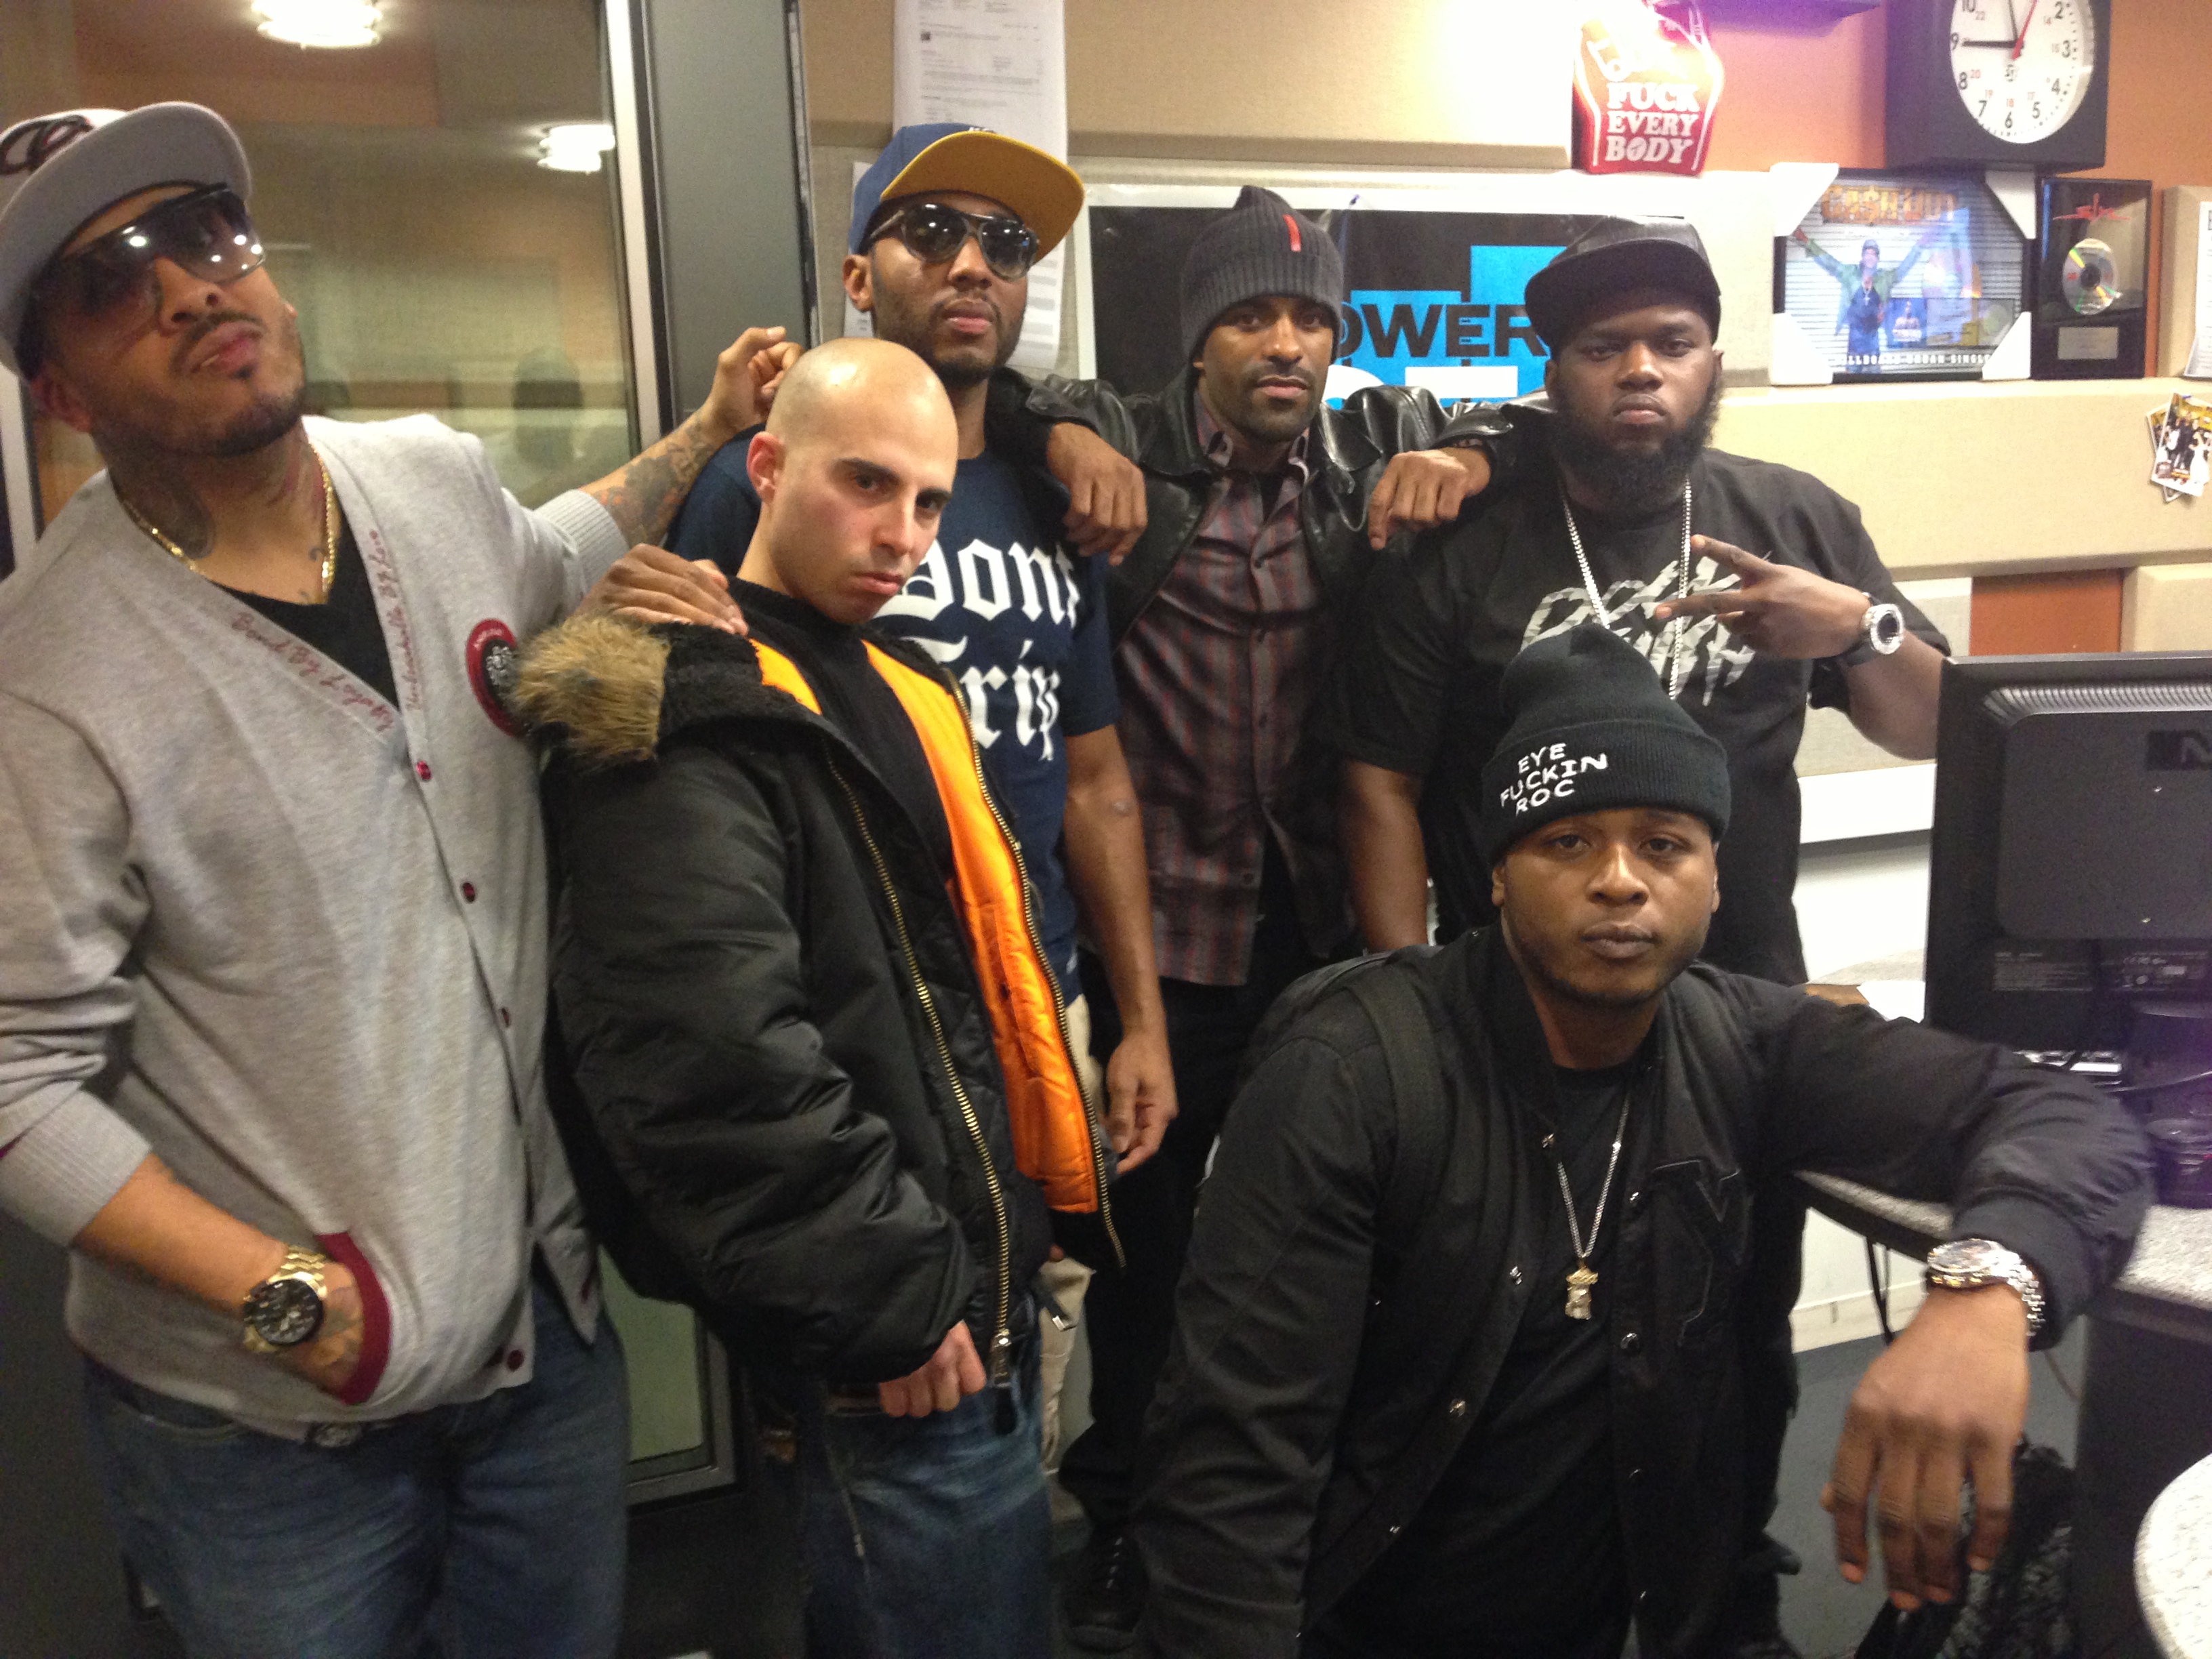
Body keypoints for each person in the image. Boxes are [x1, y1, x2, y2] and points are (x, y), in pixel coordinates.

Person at [0, 102, 756, 1658]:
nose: (189, 287)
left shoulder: (427, 480)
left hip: (539, 1348)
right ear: (57, 387)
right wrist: (296, 1300)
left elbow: (558, 547)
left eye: (204, 233)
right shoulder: (50, 677)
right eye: (111, 277)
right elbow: (16, 1076)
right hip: (267, 1440)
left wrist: (709, 430)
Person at [1136, 622, 2155, 1659]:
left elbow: (2071, 1119)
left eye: (1664, 844)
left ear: (1714, 879)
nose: (1621, 880)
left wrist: (1985, 1293)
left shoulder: (1748, 1040)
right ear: (1498, 874)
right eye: (1569, 842)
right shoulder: (1352, 1070)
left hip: (1677, 1621)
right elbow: (1231, 1476)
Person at [1332, 214, 1948, 1654]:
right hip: (1521, 1017)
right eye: (1603, 348)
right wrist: (1403, 992)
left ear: (1712, 362)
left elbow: (1934, 727)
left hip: (1743, 1012)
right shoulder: (1461, 536)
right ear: (1552, 373)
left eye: (1671, 344)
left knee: (1736, 1324)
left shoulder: (1794, 519)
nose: (1641, 373)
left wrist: (1854, 627)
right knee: (1517, 1332)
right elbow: (1377, 782)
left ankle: (1723, 1589)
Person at [525, 337, 1125, 1659]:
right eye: (865, 483)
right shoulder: (674, 695)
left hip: (966, 1283)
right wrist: (888, 1293)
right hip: (892, 1331)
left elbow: (949, 1007)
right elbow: (709, 1059)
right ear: (767, 465)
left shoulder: (906, 678)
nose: (901, 532)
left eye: (928, 499)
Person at [991, 183, 1515, 1647]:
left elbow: (1537, 429)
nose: (1284, 343)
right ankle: (1126, 1521)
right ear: (1198, 340)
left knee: (1326, 1250)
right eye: (1248, 317)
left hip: (1318, 931)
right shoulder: (1121, 443)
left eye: (1307, 318)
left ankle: (1320, 1514)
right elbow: (1000, 399)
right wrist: (1062, 437)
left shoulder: (1370, 455)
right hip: (1160, 942)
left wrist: (1469, 452)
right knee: (1147, 1271)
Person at [666, 126, 1176, 1431]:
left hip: (1035, 1000)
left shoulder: (1059, 499)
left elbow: (1094, 778)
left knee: (1028, 1352)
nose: (970, 266)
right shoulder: (759, 487)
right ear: (857, 274)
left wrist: (1136, 1018)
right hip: (860, 1026)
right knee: (876, 1386)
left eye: (1003, 244)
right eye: (931, 232)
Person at [1795, 226, 1931, 367]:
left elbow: (1903, 269)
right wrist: (1806, 240)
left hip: (1874, 337)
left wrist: (1919, 246)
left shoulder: (1884, 278)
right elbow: (1829, 262)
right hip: (1854, 336)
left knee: (1874, 374)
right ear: (1862, 256)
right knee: (1852, 373)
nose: (1870, 257)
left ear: (1878, 258)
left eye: (1874, 254)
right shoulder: (1850, 274)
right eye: (1867, 253)